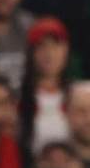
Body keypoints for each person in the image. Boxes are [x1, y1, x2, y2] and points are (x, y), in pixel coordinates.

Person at [21, 17, 73, 156]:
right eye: (41, 46)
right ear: (31, 53)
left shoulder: (79, 96)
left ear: (66, 50)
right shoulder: (18, 100)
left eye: (55, 45)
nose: (49, 53)